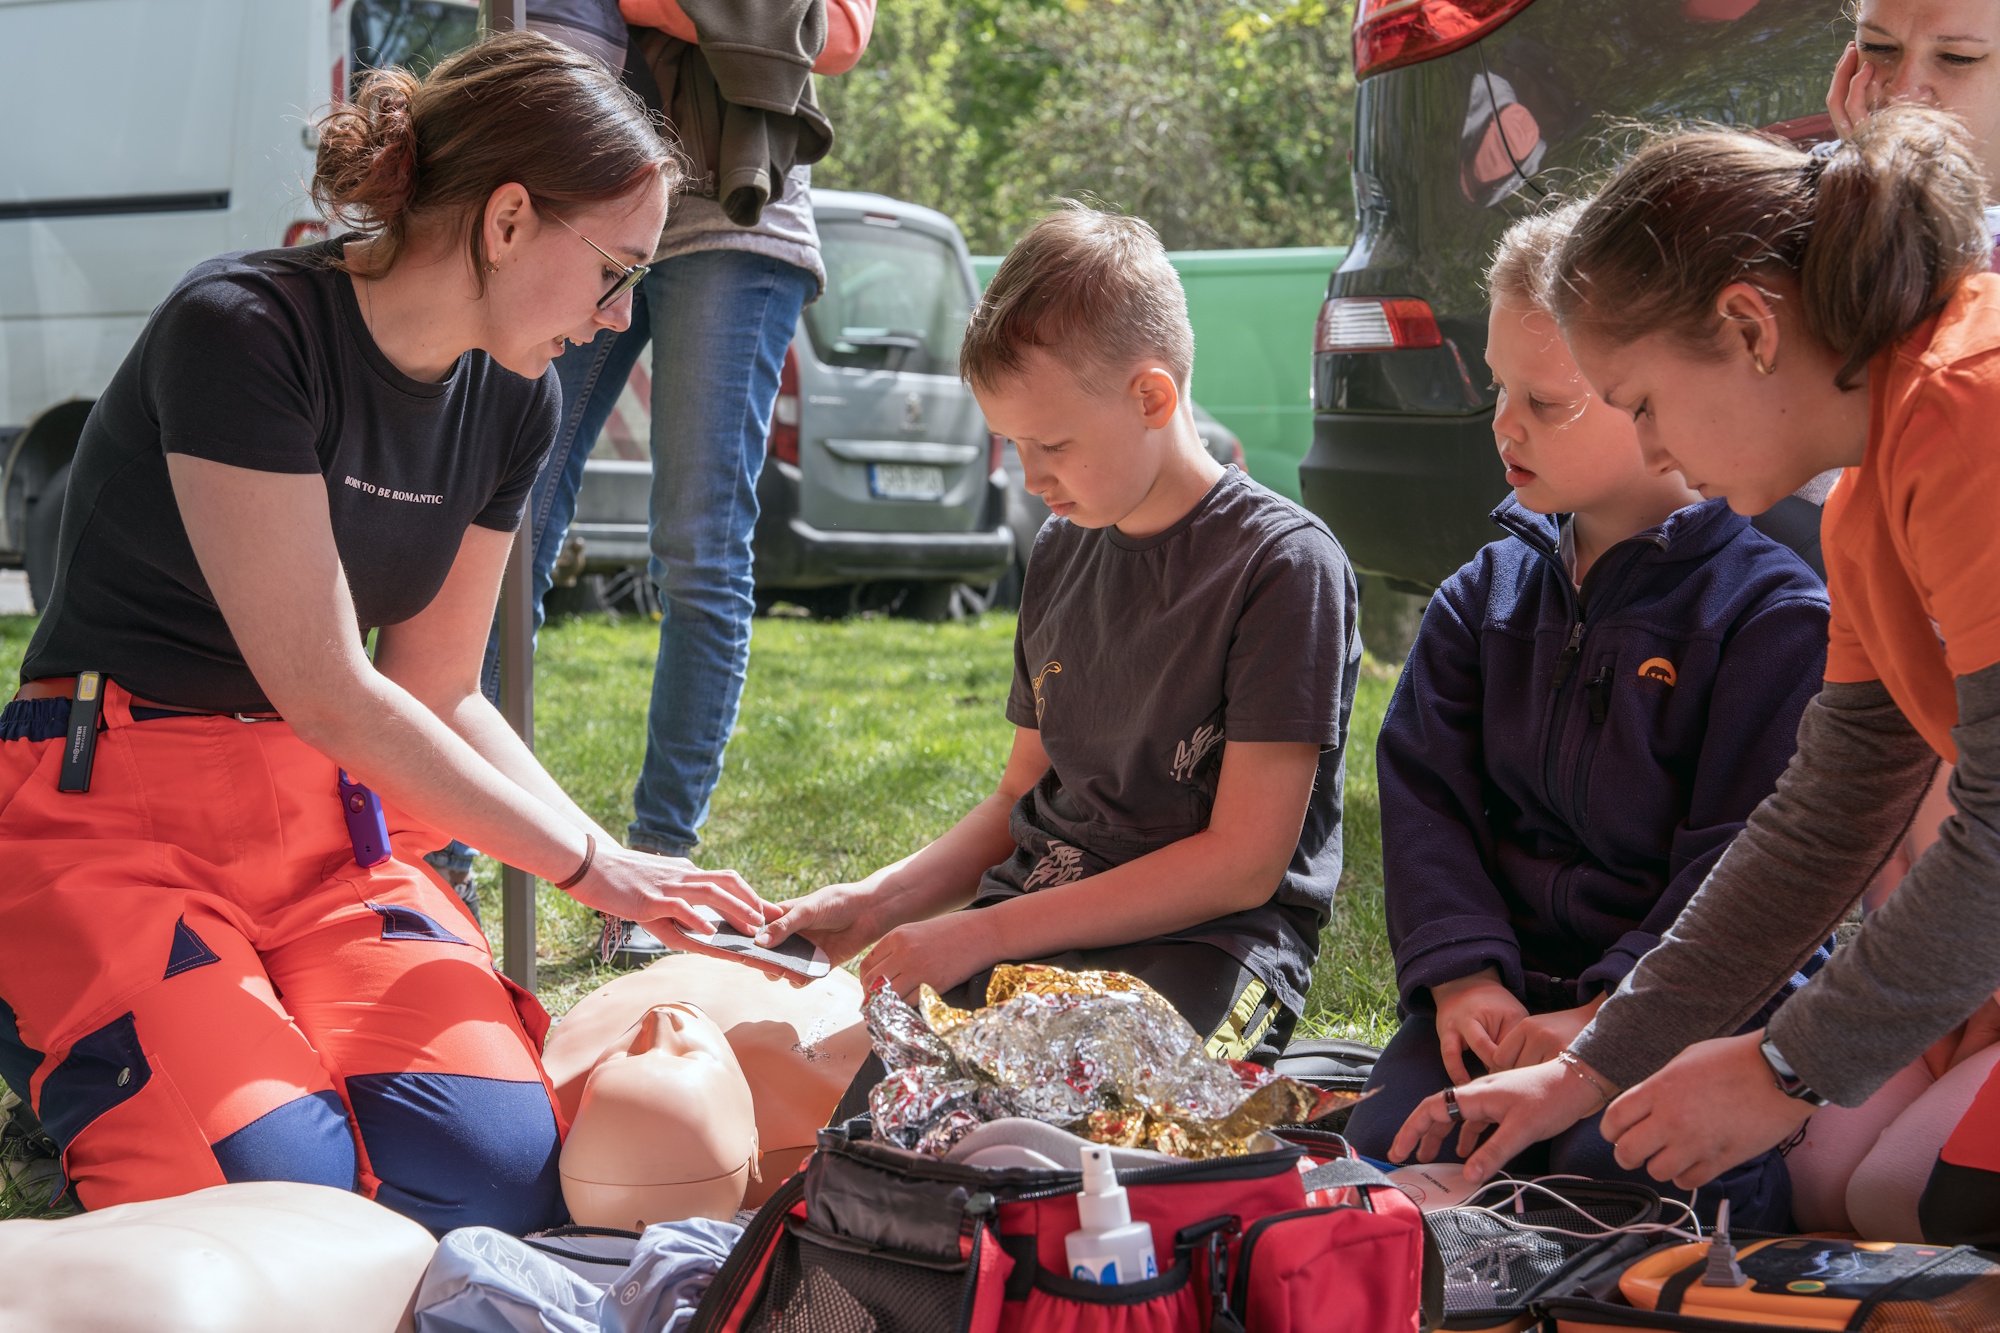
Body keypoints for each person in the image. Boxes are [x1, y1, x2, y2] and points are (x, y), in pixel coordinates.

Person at [0, 34, 779, 1233]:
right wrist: (588, 868)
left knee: (497, 1176)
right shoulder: (243, 330)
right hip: (112, 809)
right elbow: (327, 686)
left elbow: (442, 688)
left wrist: (608, 857)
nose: (616, 317)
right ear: (509, 219)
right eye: (614, 270)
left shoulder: (516, 400)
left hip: (325, 832)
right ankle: (79, 1081)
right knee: (277, 1197)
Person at [1389, 105, 2000, 1246]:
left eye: (1642, 404)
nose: (1653, 448)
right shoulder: (1871, 490)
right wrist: (1586, 1072)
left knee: (1953, 1206)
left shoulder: (1969, 413)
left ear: (1747, 327)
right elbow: (1819, 824)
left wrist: (1782, 1068)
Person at [758, 203, 1363, 1117]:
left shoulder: (1283, 566)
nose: (1031, 476)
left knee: (1052, 1141)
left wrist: (979, 936)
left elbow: (1242, 864)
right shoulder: (1060, 547)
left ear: (1152, 398)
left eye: (1054, 444)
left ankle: (1308, 1095)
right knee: (877, 1125)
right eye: (1012, 445)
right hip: (1033, 925)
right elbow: (1017, 800)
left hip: (1210, 949)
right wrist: (881, 903)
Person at [1341, 206, 1830, 1229]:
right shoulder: (1480, 600)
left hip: (1669, 1021)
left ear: (1648, 399)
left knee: (1622, 1189)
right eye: (1495, 388)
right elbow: (1427, 799)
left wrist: (1602, 1016)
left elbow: (1743, 868)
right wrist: (1462, 979)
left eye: (1544, 400)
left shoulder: (1764, 618)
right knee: (1377, 1167)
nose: (1502, 424)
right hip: (1494, 1009)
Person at [428, 0, 874, 963]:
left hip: (739, 213)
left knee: (700, 550)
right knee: (505, 536)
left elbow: (840, 32)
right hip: (580, 199)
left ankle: (658, 873)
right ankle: (444, 854)